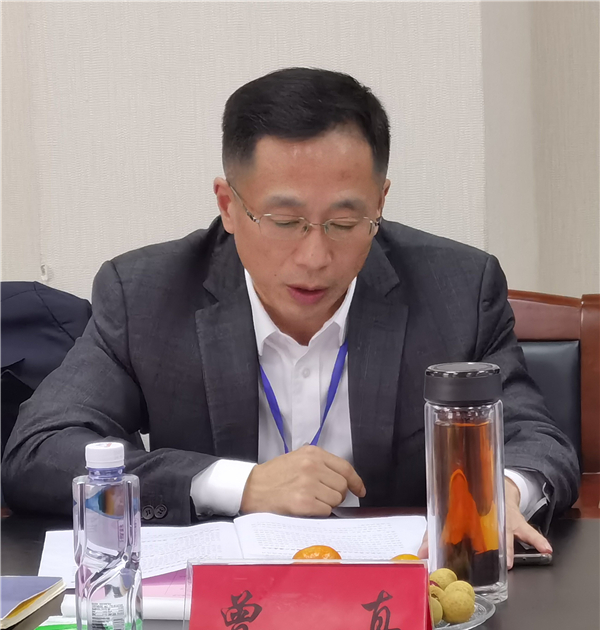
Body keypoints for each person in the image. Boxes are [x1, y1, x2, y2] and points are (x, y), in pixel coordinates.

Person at [3, 68, 578, 567]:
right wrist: (237, 484)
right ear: (229, 206)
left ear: (379, 203)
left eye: (344, 223)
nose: (314, 257)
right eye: (284, 221)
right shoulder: (147, 295)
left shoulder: (457, 290)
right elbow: (38, 453)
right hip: (224, 618)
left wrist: (496, 493)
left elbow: (536, 439)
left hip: (407, 607)